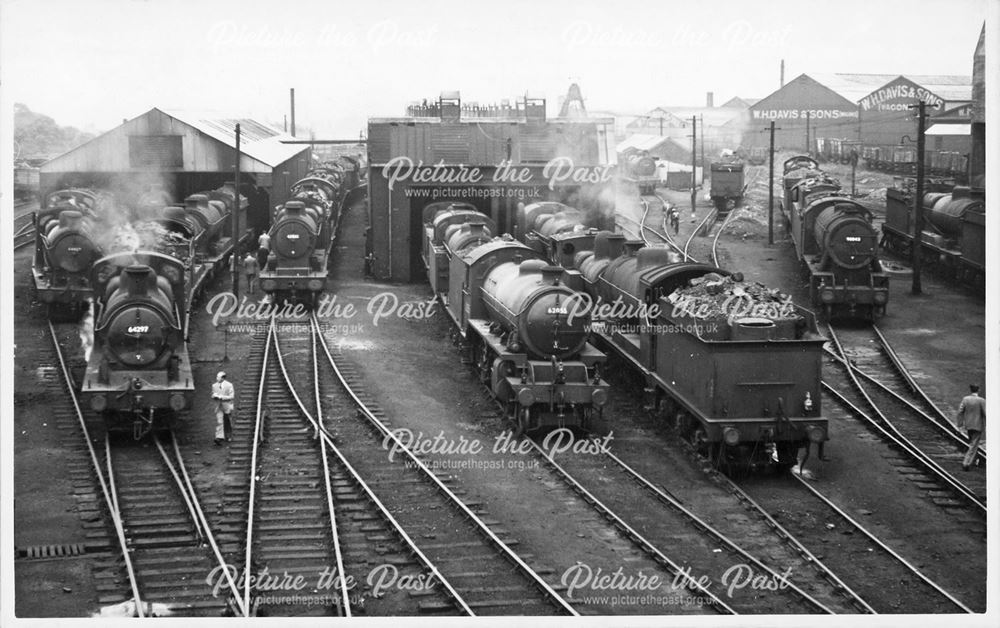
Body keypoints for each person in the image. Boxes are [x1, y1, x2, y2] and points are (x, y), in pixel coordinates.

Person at [956, 384, 985, 471]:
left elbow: (960, 411)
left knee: (972, 444)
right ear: (978, 390)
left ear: (971, 390)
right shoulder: (981, 401)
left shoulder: (966, 399)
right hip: (978, 426)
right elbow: (986, 413)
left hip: (968, 425)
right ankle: (966, 463)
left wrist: (960, 424)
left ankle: (974, 460)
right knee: (973, 445)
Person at [212, 371, 235, 446]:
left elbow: (232, 396)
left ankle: (229, 436)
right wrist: (214, 396)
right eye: (217, 377)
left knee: (228, 421)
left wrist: (222, 397)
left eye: (218, 377)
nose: (217, 378)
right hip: (218, 406)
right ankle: (219, 437)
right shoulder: (214, 385)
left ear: (223, 378)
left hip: (227, 406)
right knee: (219, 421)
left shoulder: (229, 385)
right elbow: (213, 394)